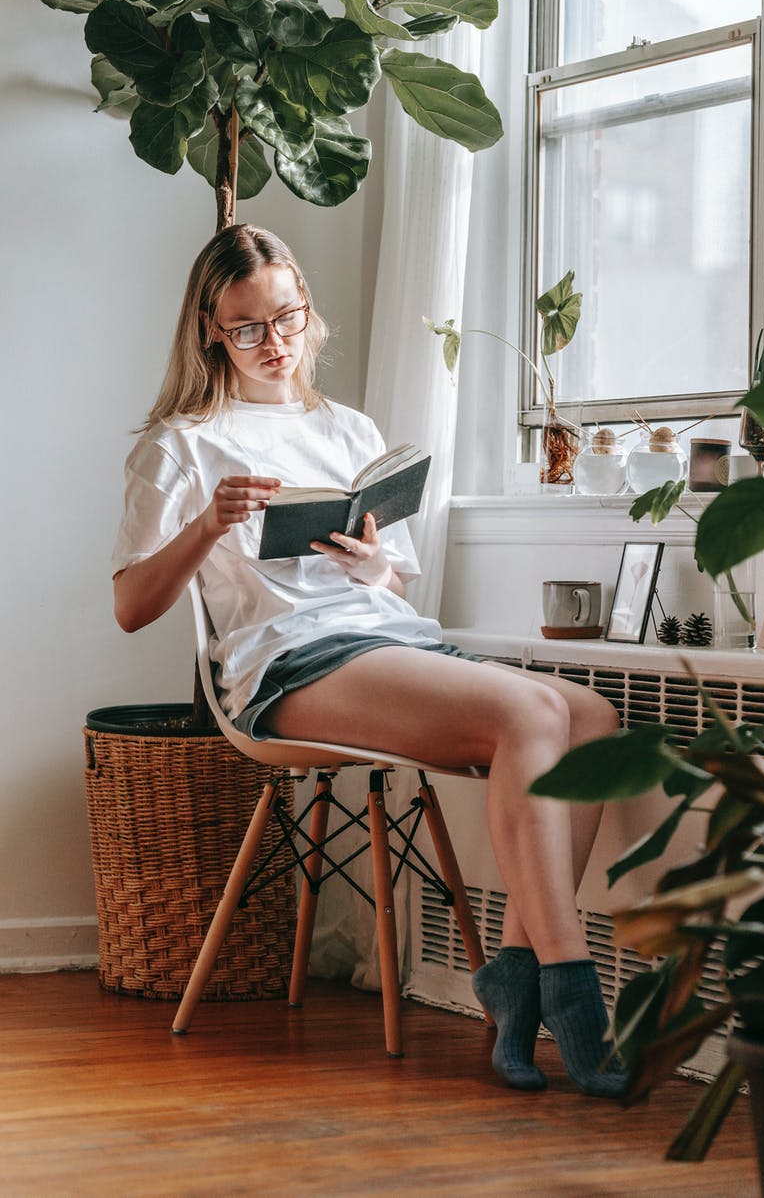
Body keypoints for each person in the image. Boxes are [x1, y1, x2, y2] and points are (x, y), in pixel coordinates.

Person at [112, 223, 625, 1098]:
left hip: (382, 635)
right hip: (287, 664)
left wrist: (372, 561)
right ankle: (575, 994)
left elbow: (396, 574)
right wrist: (206, 526)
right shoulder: (182, 443)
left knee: (591, 716)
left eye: (287, 319)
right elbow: (131, 608)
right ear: (208, 327)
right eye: (246, 328)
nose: (273, 344)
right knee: (531, 714)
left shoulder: (346, 427)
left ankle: (513, 974)